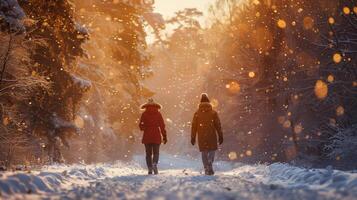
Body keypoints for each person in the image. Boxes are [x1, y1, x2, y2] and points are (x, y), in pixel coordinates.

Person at [191, 93, 223, 175]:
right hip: (211, 134)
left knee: (204, 152)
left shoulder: (197, 113)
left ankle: (206, 167)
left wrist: (193, 137)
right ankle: (210, 162)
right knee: (212, 150)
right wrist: (220, 135)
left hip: (201, 136)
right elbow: (218, 125)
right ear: (209, 102)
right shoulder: (213, 113)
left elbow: (194, 126)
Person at [139, 98, 167, 175]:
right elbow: (162, 125)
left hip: (147, 135)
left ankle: (150, 168)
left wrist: (145, 127)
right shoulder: (158, 113)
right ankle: (154, 163)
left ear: (147, 105)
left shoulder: (144, 114)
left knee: (148, 154)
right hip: (156, 135)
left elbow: (141, 126)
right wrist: (164, 136)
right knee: (156, 153)